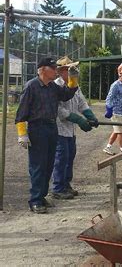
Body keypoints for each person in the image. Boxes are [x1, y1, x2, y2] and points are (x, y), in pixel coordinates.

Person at [15, 57, 79, 214]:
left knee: (49, 164)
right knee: (38, 166)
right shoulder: (31, 86)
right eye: (52, 67)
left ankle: (42, 196)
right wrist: (22, 134)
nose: (55, 70)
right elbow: (21, 113)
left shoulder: (52, 86)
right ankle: (35, 200)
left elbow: (67, 94)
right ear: (42, 69)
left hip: (51, 127)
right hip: (37, 129)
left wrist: (73, 77)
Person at [52, 56, 99, 200]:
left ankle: (66, 185)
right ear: (62, 71)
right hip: (59, 129)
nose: (74, 72)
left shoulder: (75, 86)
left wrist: (90, 116)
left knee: (70, 156)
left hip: (70, 130)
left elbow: (81, 103)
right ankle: (58, 188)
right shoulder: (56, 86)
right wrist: (78, 119)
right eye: (70, 69)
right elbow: (59, 110)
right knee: (61, 158)